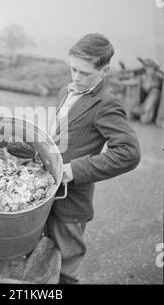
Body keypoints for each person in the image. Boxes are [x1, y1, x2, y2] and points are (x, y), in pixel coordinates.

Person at [46, 33, 141, 284]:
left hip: (71, 203)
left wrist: (73, 170)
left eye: (85, 73)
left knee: (64, 274)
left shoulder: (107, 105)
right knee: (42, 266)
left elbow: (128, 152)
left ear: (105, 70)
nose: (76, 78)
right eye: (73, 69)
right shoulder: (64, 92)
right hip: (46, 197)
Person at [130, 57, 162, 125]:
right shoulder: (143, 75)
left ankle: (146, 117)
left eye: (148, 66)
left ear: (153, 68)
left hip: (154, 93)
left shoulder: (158, 75)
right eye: (145, 66)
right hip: (148, 95)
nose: (145, 68)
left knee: (145, 115)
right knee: (135, 111)